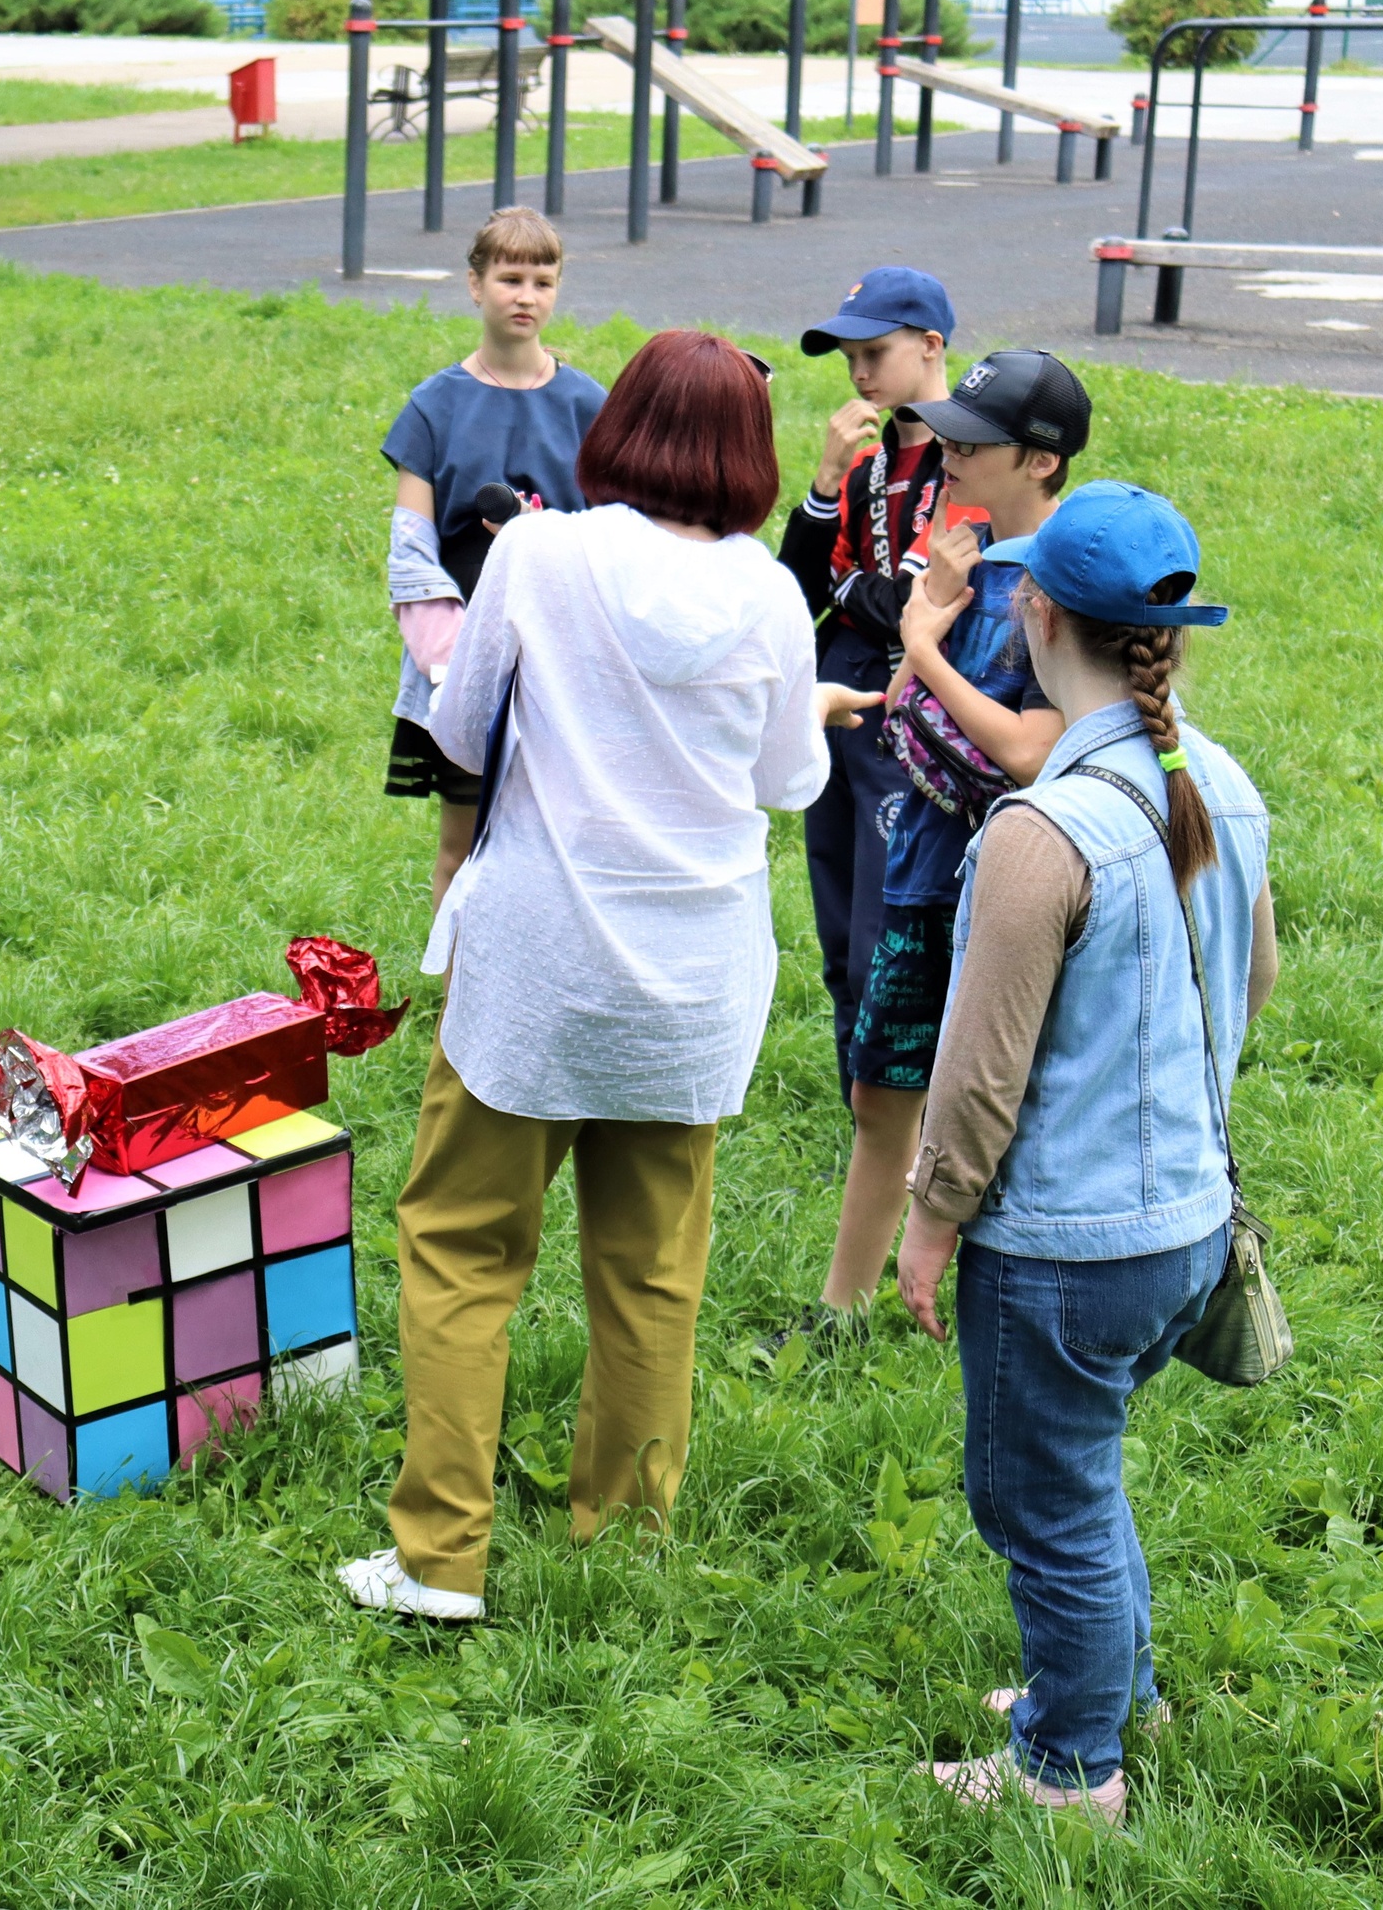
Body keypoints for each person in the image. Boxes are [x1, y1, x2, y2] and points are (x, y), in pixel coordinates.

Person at [339, 332, 882, 1622]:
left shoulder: (537, 551)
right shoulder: (760, 590)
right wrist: (798, 713)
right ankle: (623, 1543)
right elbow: (779, 783)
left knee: (462, 1250)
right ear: (748, 459)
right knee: (649, 1274)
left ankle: (437, 1558)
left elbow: (458, 726)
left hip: (534, 965)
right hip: (690, 981)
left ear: (616, 429)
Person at [896, 483, 1273, 1825]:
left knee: (1042, 1504)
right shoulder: (1216, 783)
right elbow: (1256, 975)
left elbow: (980, 1070)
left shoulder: (1039, 832)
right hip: (1184, 1228)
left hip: (1063, 1250)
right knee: (1083, 1468)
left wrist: (929, 1221)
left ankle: (1069, 1772)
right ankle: (1120, 1691)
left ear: (1036, 608)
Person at [787, 351, 1089, 1345]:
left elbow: (1025, 752)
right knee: (882, 1088)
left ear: (1040, 461)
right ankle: (839, 1315)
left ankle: (994, 1312)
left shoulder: (1060, 583)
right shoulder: (969, 557)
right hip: (922, 864)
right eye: (946, 434)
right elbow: (914, 727)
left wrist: (919, 642)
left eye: (972, 441)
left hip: (996, 885)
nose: (947, 453)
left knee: (991, 1103)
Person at [770, 267, 968, 1351]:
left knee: (897, 925)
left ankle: (920, 1126)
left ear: (929, 343)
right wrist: (820, 483)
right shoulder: (866, 461)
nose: (856, 368)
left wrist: (873, 597)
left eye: (873, 348)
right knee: (840, 924)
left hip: (911, 709)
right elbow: (795, 586)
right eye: (846, 352)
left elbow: (932, 593)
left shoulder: (961, 452)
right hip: (840, 700)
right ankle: (870, 1118)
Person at [380, 206, 607, 914]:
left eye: (543, 280)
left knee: (556, 848)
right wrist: (452, 669)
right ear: (475, 285)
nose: (526, 296)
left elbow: (611, 540)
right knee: (463, 850)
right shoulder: (433, 407)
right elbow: (412, 555)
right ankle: (455, 1017)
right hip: (463, 664)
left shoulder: (590, 407)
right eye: (510, 278)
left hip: (560, 660)